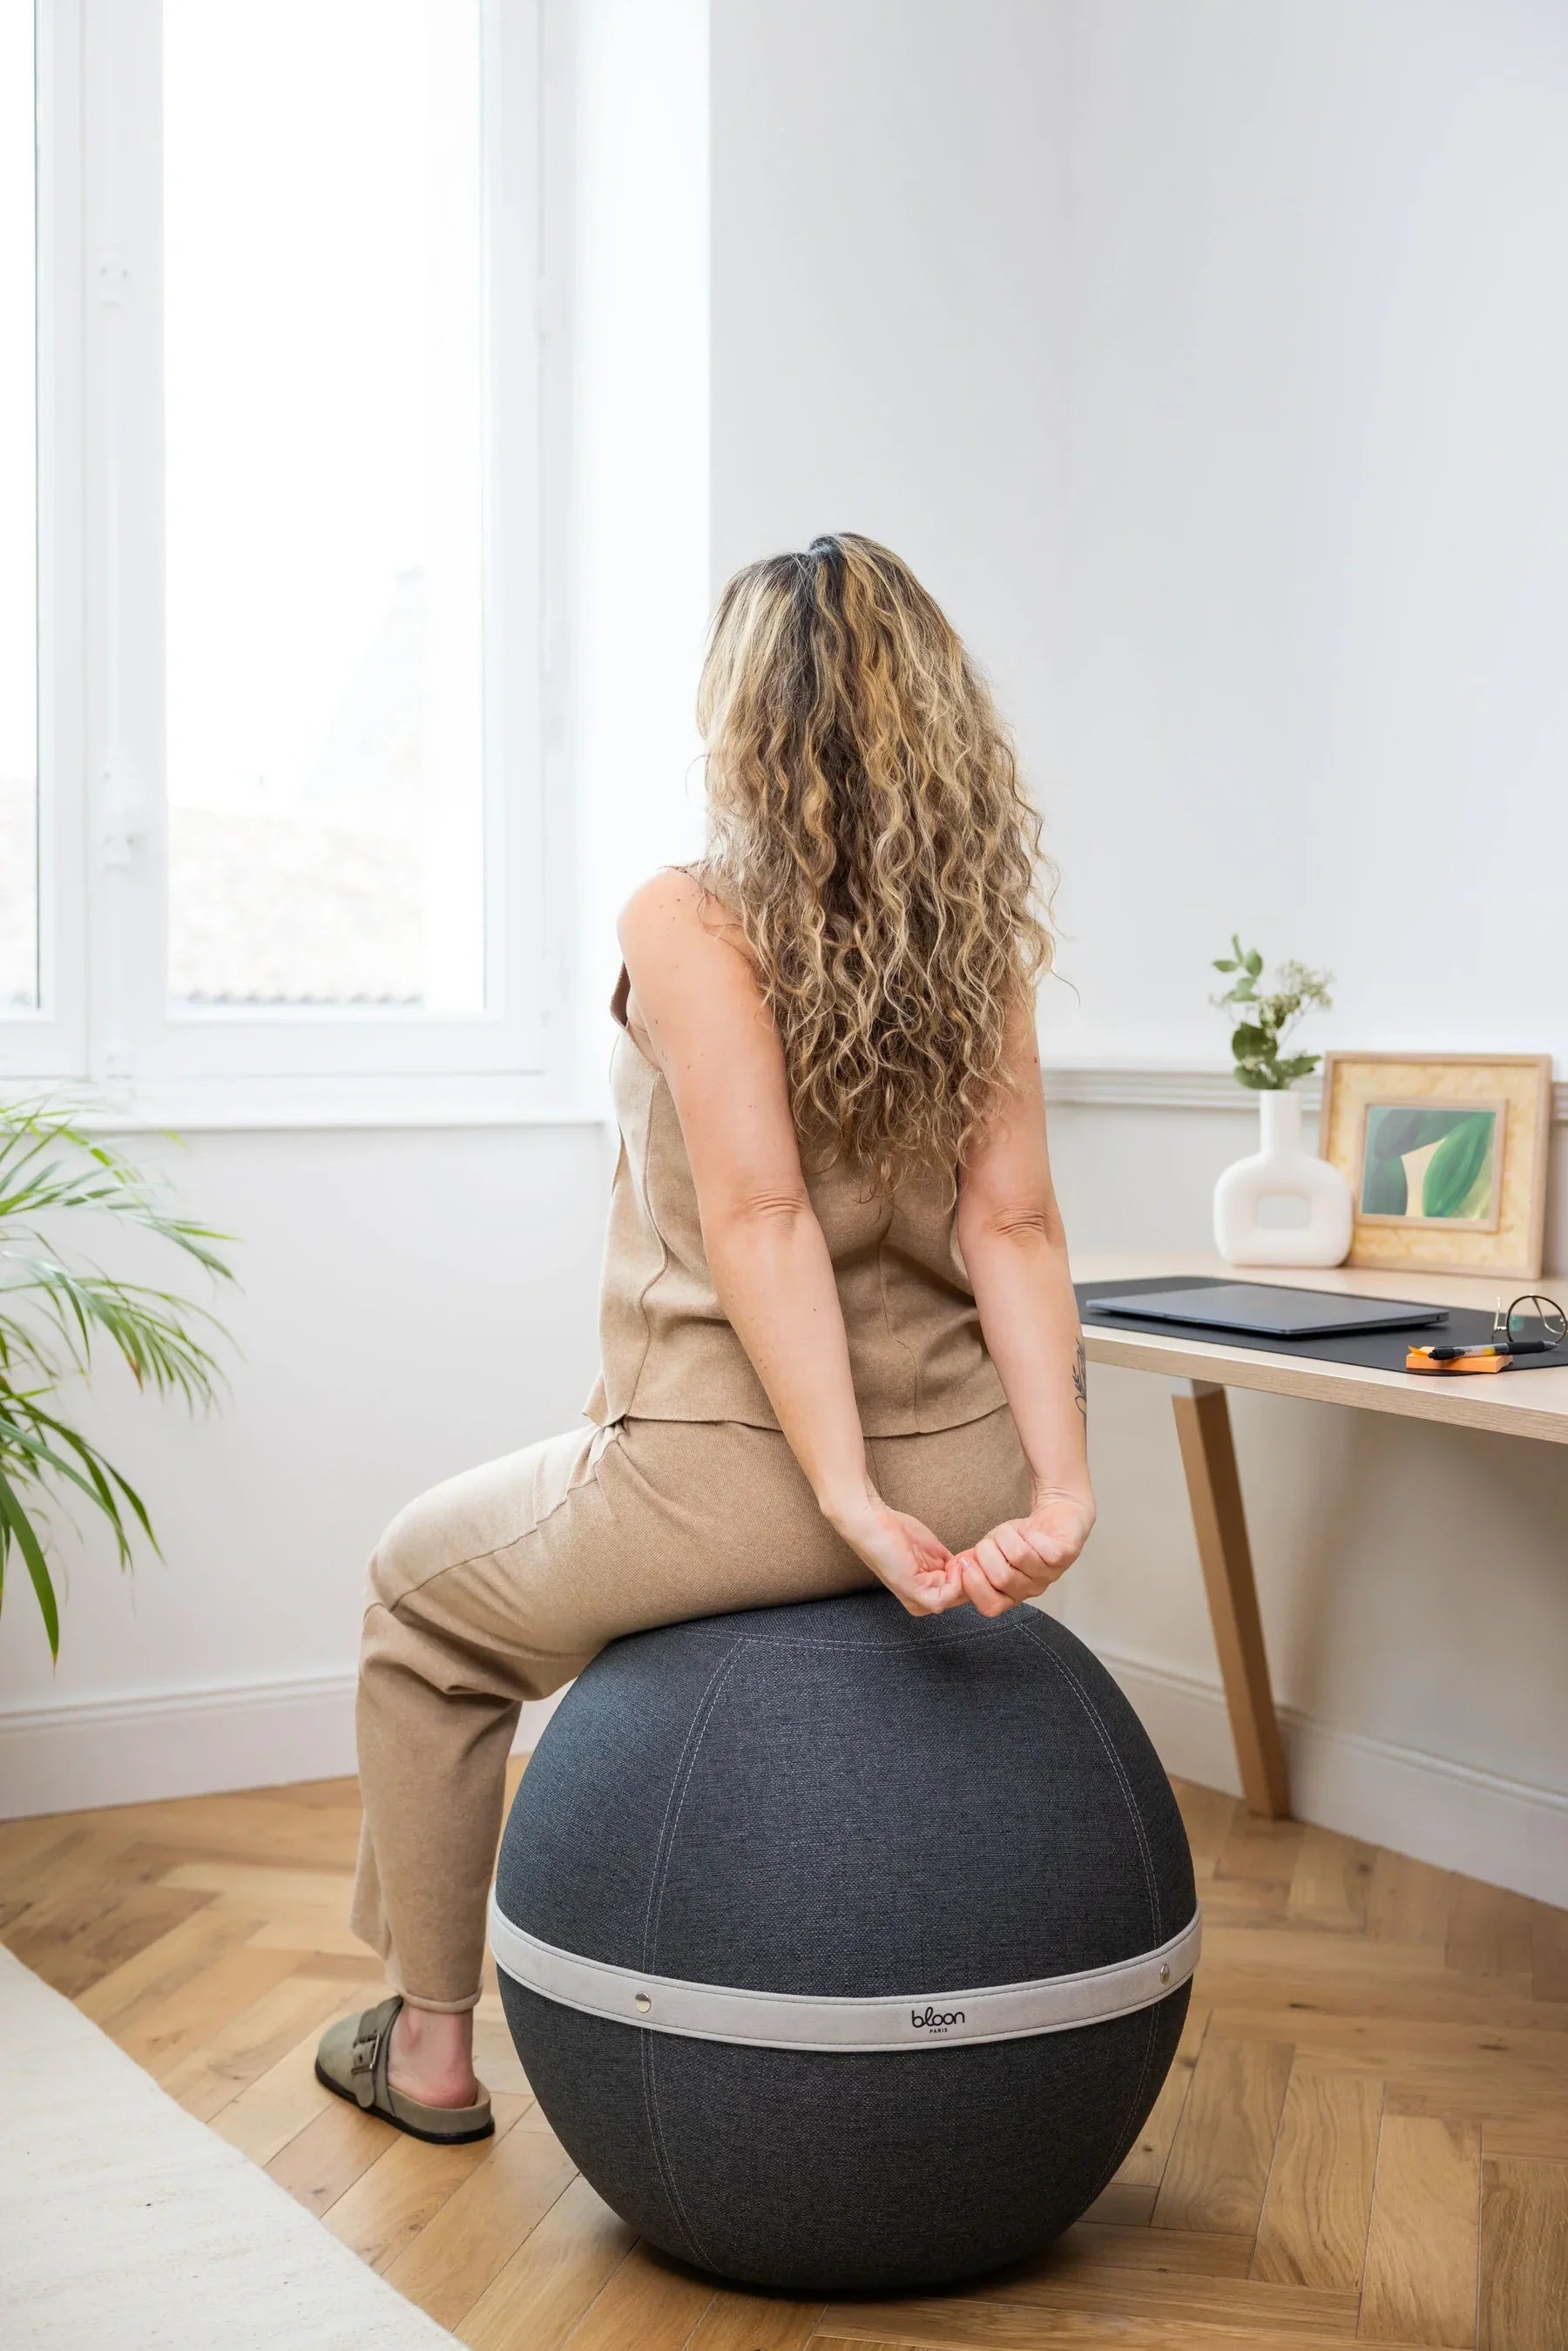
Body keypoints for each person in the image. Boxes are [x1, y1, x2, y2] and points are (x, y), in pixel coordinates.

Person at [315, 533, 1095, 2142]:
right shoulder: (982, 935)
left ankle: (431, 2048)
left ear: (745, 718)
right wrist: (1061, 1488)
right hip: (973, 1476)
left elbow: (761, 1213)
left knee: (417, 1600)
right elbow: (1014, 1225)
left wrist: (841, 1500)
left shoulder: (689, 916)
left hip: (739, 1490)